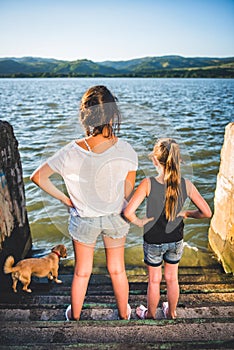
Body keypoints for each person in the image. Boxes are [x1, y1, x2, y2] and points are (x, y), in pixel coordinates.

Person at [31, 85, 138, 320]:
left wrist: (66, 199)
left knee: (82, 272)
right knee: (117, 269)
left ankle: (75, 315)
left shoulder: (71, 151)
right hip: (116, 217)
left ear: (85, 115)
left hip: (83, 218)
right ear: (114, 114)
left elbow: (38, 177)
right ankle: (124, 314)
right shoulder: (128, 150)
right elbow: (127, 192)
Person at [124, 138, 211, 320]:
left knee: (154, 280)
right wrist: (187, 213)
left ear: (155, 160)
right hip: (176, 239)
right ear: (178, 160)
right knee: (172, 279)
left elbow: (128, 212)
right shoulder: (186, 184)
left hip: (153, 240)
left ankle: (150, 314)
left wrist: (140, 222)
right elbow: (206, 212)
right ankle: (171, 312)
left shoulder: (148, 183)